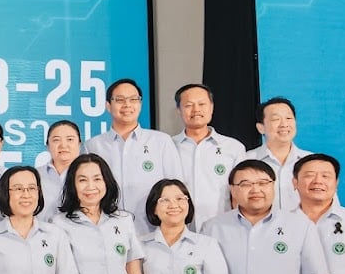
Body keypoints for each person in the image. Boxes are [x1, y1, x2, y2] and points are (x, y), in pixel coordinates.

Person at [86, 78, 181, 232]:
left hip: (153, 231)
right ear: (108, 105)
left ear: (140, 104)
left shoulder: (161, 141)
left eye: (133, 99)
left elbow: (176, 189)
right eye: (120, 100)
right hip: (107, 231)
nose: (127, 105)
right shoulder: (93, 145)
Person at [171, 84, 246, 228]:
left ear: (211, 107)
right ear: (178, 110)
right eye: (189, 105)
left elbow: (240, 192)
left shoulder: (233, 147)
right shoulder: (168, 146)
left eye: (202, 104)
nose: (196, 110)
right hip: (179, 228)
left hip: (222, 227)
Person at [241, 97, 309, 211]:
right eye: (275, 119)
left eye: (288, 118)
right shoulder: (245, 161)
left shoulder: (311, 162)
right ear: (261, 128)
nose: (284, 124)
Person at [38, 120, 82, 223]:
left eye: (70, 139)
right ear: (47, 145)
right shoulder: (35, 176)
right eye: (56, 140)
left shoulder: (91, 176)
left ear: (79, 144)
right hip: (43, 231)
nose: (63, 145)